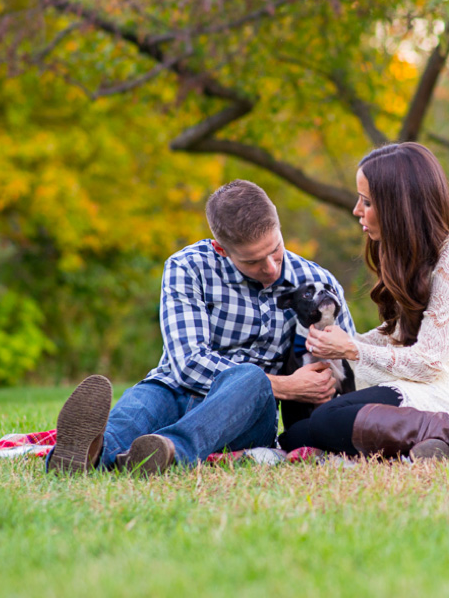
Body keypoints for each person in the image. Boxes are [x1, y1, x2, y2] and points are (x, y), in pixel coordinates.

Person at [46, 179, 356, 475]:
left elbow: (349, 357)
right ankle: (83, 455)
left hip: (247, 413)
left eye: (275, 249)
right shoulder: (188, 266)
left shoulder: (318, 284)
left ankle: (169, 451)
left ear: (279, 228)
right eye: (253, 261)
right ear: (221, 248)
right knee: (136, 411)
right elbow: (188, 362)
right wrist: (285, 385)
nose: (271, 267)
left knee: (249, 376)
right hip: (174, 389)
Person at [278, 142, 449, 460]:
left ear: (398, 207)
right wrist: (335, 349)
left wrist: (350, 349)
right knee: (296, 435)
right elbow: (396, 336)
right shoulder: (414, 257)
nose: (356, 210)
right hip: (431, 388)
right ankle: (437, 449)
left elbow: (430, 362)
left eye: (366, 201)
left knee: (325, 423)